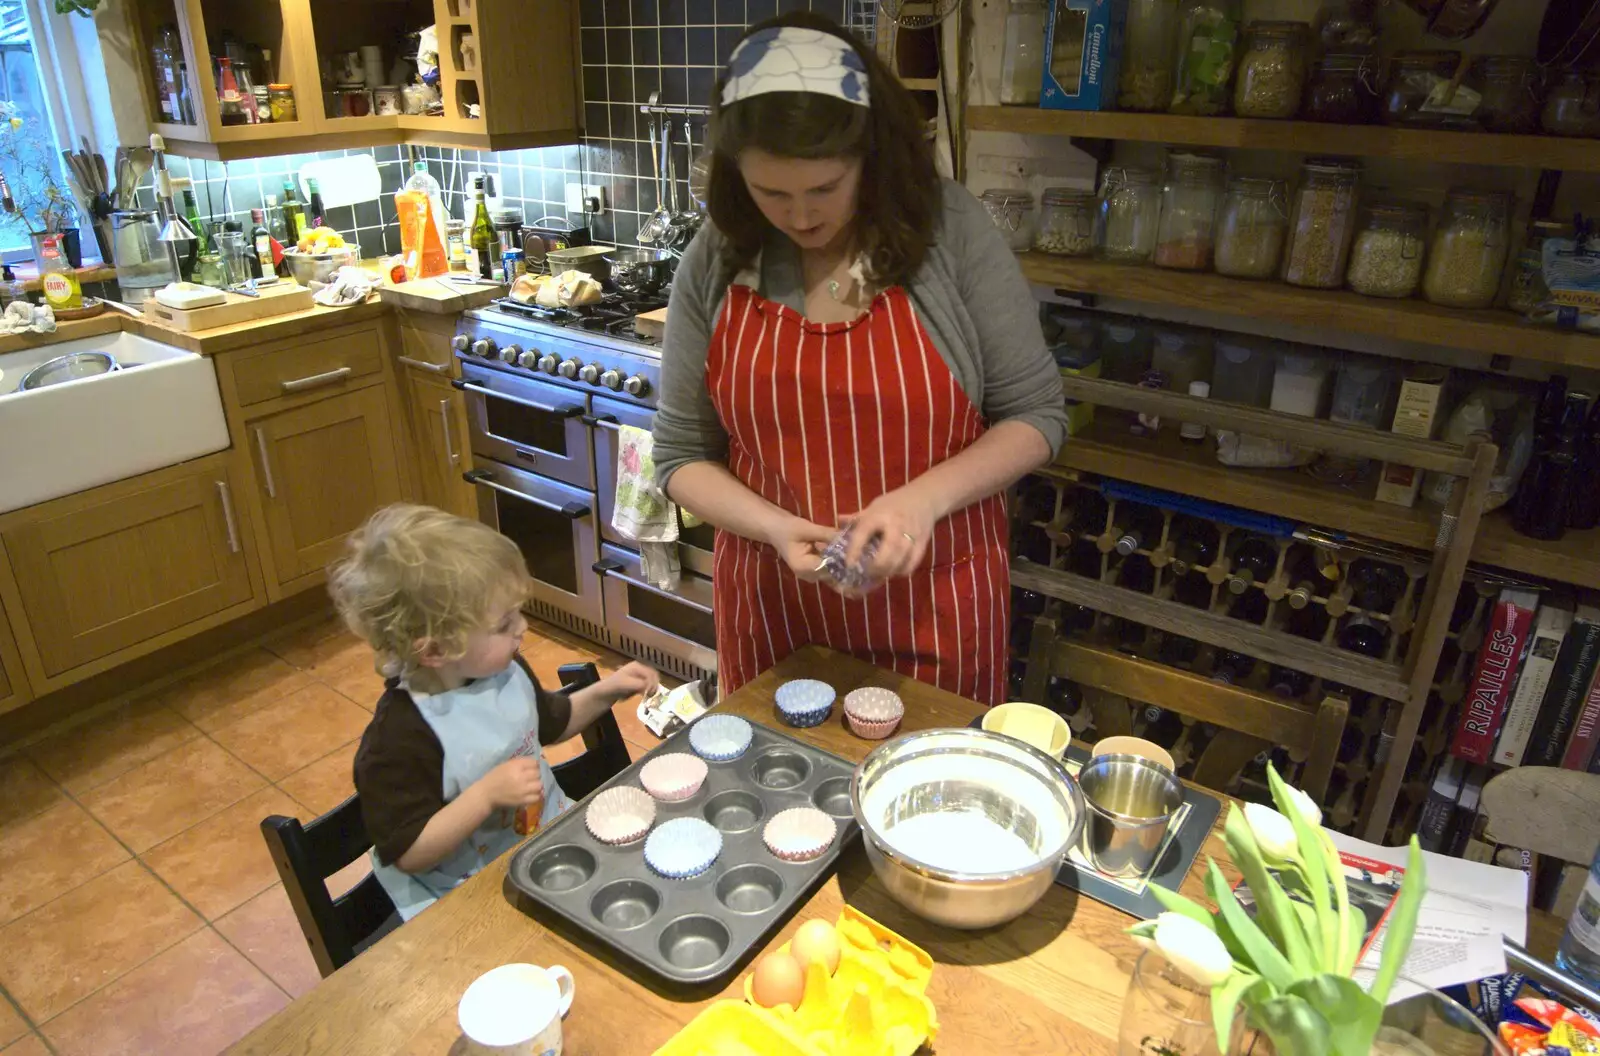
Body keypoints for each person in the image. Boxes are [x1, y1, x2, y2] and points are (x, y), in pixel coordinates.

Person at [653, 13, 1068, 706]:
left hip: (935, 604)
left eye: (824, 189)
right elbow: (680, 457)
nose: (801, 217)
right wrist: (776, 527)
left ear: (871, 155)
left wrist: (919, 502)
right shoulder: (718, 257)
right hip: (774, 605)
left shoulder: (951, 235)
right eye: (771, 193)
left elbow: (1037, 417)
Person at [332, 504, 658, 920]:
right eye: (503, 624)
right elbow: (409, 853)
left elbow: (552, 725)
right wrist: (484, 797)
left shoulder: (503, 669)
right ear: (435, 650)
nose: (522, 628)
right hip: (464, 899)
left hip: (544, 849)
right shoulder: (399, 739)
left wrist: (607, 691)